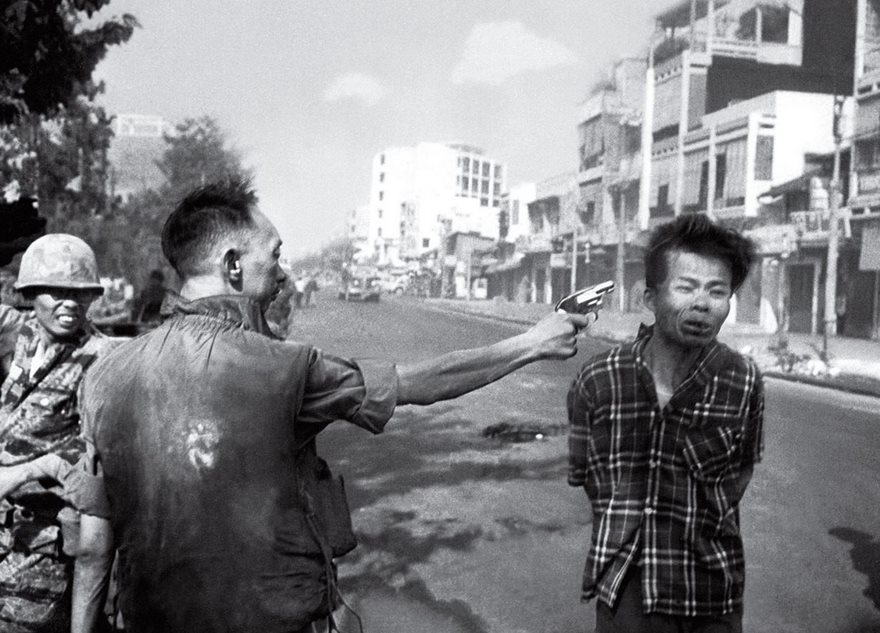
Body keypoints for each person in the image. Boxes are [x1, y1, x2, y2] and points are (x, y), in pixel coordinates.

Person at [71, 177, 590, 633]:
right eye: (273, 256)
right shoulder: (284, 369)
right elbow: (424, 382)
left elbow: (95, 545)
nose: (283, 273)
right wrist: (533, 342)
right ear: (232, 265)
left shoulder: (104, 377)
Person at [567, 214, 763, 633]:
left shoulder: (743, 379)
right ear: (650, 298)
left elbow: (740, 475)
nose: (703, 303)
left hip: (711, 594)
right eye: (686, 287)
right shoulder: (598, 380)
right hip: (624, 592)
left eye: (717, 291)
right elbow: (586, 475)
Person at [0, 234, 119, 632]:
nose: (69, 303)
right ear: (31, 294)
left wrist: (28, 470)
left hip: (43, 540)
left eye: (80, 294)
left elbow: (95, 454)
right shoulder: (21, 337)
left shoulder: (100, 360)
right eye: (54, 292)